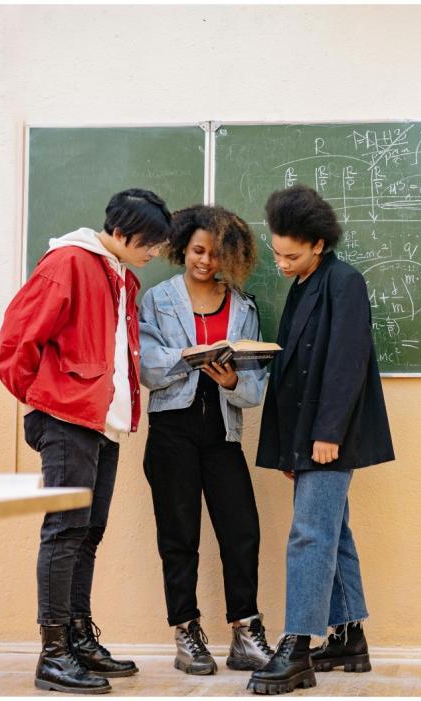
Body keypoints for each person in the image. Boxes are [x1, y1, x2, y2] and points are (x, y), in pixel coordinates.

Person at [0, 189, 172, 694]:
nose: (155, 252)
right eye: (151, 243)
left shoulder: (120, 276)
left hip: (104, 424)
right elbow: (15, 342)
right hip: (69, 421)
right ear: (121, 233)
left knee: (88, 533)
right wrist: (47, 402)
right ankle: (52, 654)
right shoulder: (70, 261)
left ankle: (77, 637)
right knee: (65, 531)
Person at [247, 185, 395, 695]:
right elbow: (296, 369)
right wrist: (293, 443)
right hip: (305, 434)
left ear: (317, 244)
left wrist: (327, 434)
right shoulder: (306, 283)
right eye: (275, 252)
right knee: (333, 530)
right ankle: (349, 636)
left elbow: (347, 361)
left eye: (290, 254)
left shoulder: (344, 282)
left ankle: (298, 646)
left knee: (309, 534)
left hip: (328, 435)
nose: (280, 263)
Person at [139, 205, 273, 677]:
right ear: (181, 248)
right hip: (172, 432)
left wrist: (232, 379)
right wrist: (189, 358)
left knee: (242, 532)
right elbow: (148, 369)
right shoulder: (156, 299)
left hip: (223, 432)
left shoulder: (244, 306)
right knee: (179, 537)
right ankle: (186, 631)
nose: (206, 262)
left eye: (217, 255)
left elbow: (254, 390)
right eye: (198, 251)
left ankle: (245, 631)